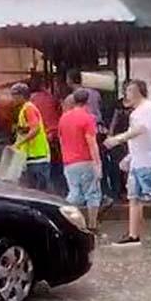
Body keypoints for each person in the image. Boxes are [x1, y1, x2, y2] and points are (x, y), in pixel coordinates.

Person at [104, 80, 151, 247]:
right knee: (134, 198)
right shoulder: (138, 111)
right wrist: (130, 157)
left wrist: (118, 139)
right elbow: (142, 137)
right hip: (139, 162)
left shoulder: (147, 108)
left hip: (149, 163)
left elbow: (142, 129)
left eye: (129, 91)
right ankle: (133, 236)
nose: (126, 95)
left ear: (138, 92)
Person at [60, 89, 102, 232]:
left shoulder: (63, 118)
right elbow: (92, 142)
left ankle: (68, 223)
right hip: (86, 161)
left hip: (69, 162)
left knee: (74, 194)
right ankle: (92, 226)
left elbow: (62, 141)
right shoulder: (88, 118)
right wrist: (98, 163)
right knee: (92, 194)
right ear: (88, 101)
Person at [10, 83, 52, 191]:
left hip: (38, 156)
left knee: (39, 193)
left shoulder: (29, 108)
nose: (12, 99)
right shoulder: (24, 109)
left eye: (13, 95)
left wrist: (19, 144)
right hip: (32, 156)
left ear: (20, 95)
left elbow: (35, 129)